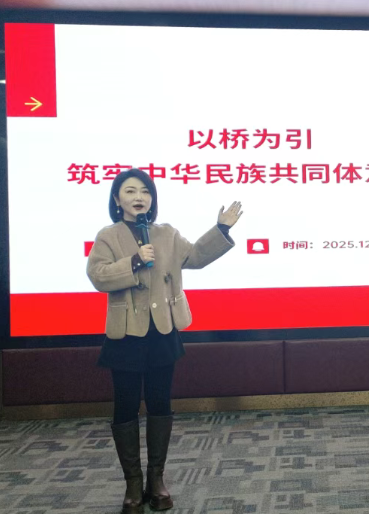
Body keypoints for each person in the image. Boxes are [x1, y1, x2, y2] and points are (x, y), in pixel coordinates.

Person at [87, 169, 242, 514]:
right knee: (125, 407)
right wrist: (135, 261)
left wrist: (221, 229)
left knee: (160, 404)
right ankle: (133, 484)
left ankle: (156, 480)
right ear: (117, 199)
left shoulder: (166, 233)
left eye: (145, 191)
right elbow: (98, 276)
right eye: (130, 191)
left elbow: (195, 257)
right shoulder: (107, 236)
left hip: (162, 331)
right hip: (126, 334)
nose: (139, 197)